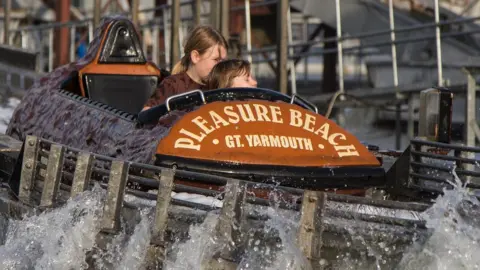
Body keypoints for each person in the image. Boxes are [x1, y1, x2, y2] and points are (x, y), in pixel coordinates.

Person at [143, 25, 228, 109]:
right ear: (196, 57)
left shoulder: (220, 86)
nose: (221, 66)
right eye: (216, 59)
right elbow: (146, 114)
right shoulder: (173, 85)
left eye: (223, 61)